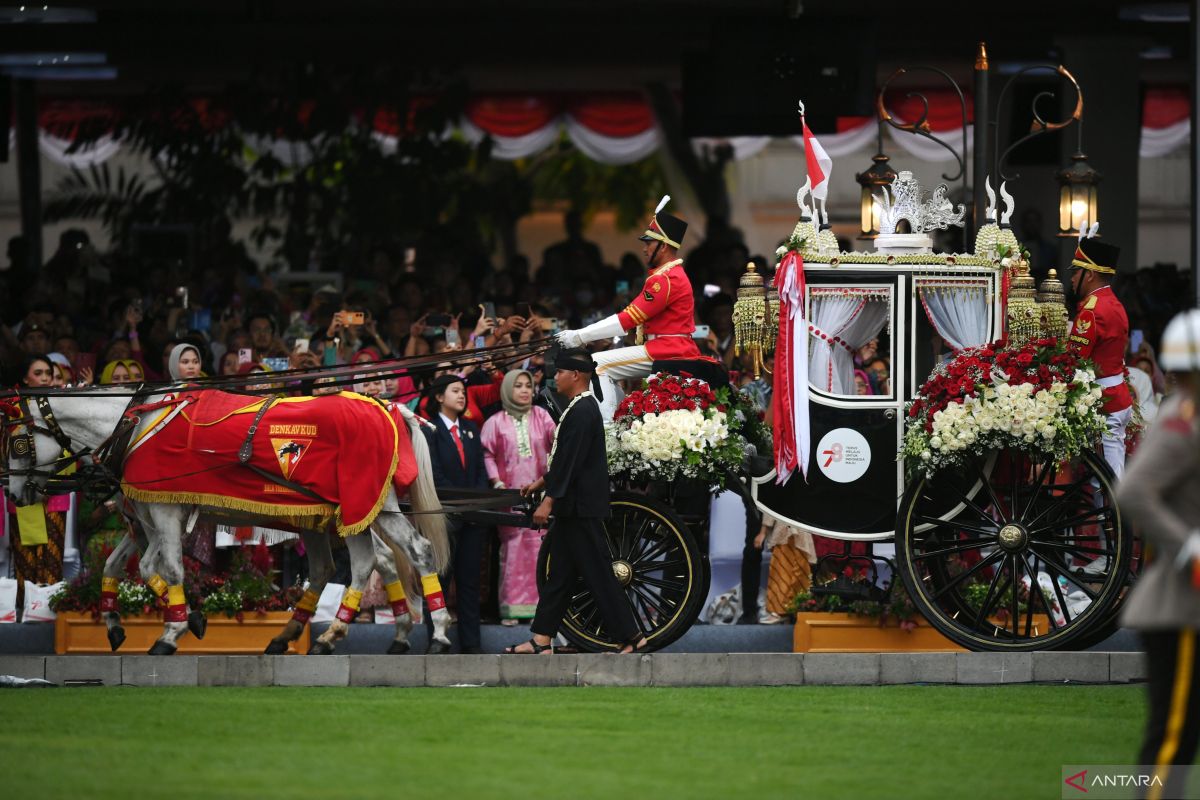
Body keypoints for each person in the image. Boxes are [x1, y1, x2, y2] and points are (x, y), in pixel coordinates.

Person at [504, 348, 646, 654]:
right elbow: (565, 458)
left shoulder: (583, 410)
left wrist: (548, 501)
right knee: (560, 577)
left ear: (576, 375)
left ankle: (632, 636)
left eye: (560, 372)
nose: (556, 377)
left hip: (580, 507)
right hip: (574, 506)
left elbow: (570, 462)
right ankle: (542, 638)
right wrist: (541, 483)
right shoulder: (579, 407)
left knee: (597, 573)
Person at [1115, 308, 1200, 798]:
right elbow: (1134, 492)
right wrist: (1188, 546)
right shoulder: (1183, 421)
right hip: (1182, 601)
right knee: (1174, 739)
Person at [555, 197, 701, 420]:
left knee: (597, 364)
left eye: (648, 243)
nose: (643, 249)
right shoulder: (668, 276)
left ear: (663, 245)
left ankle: (607, 429)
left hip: (668, 349)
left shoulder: (665, 279)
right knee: (602, 363)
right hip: (667, 346)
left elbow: (627, 319)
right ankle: (622, 417)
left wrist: (579, 335)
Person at [481, 369, 556, 624]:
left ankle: (540, 610)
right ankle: (511, 608)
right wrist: (497, 482)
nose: (524, 390)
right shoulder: (495, 422)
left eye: (528, 386)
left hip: (542, 496)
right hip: (510, 497)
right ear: (507, 390)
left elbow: (557, 445)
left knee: (540, 550)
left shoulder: (542, 416)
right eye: (518, 386)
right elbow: (487, 455)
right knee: (512, 551)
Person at [422, 373, 489, 653]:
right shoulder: (429, 430)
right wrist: (458, 502)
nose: (462, 396)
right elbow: (433, 474)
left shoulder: (472, 428)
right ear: (439, 397)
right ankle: (437, 639)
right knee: (439, 580)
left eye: (463, 391)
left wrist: (476, 503)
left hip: (473, 517)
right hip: (443, 516)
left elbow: (481, 473)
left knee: (469, 580)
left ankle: (472, 644)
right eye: (455, 391)